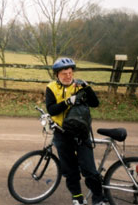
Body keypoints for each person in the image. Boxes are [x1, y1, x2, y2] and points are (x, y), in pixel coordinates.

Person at [45, 58, 105, 205]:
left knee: (90, 170)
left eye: (70, 73)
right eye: (64, 73)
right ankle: (77, 197)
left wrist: (87, 87)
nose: (68, 76)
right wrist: (67, 102)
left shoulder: (80, 86)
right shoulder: (51, 87)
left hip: (81, 134)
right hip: (62, 134)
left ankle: (98, 199)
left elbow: (95, 104)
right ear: (57, 75)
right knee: (70, 170)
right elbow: (51, 110)